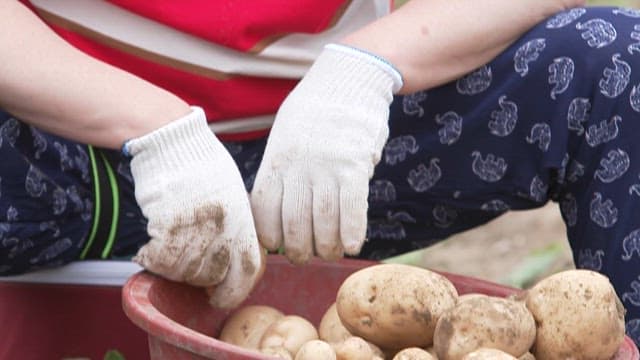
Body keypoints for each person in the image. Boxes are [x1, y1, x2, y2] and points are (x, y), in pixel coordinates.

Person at [7, 0, 640, 346]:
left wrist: (364, 70)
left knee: (618, 61)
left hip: (338, 149)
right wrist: (156, 127)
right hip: (61, 145)